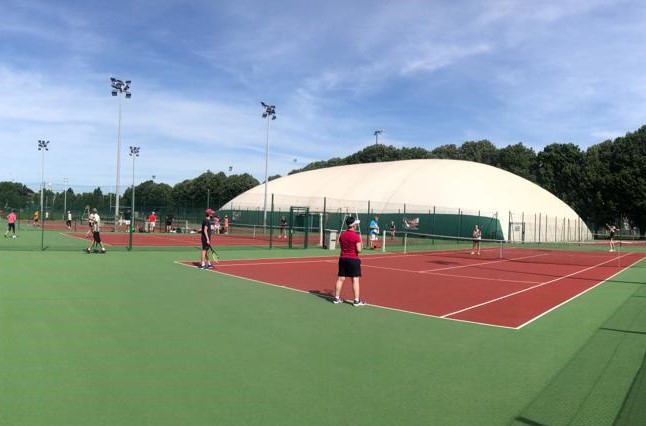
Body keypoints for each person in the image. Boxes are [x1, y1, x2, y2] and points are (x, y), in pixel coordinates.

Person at [332, 216, 365, 307]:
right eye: (356, 224)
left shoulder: (342, 235)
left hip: (343, 259)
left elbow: (341, 245)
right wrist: (360, 245)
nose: (357, 225)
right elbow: (359, 250)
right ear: (353, 225)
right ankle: (356, 301)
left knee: (340, 279)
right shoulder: (356, 236)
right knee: (355, 279)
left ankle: (336, 298)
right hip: (353, 259)